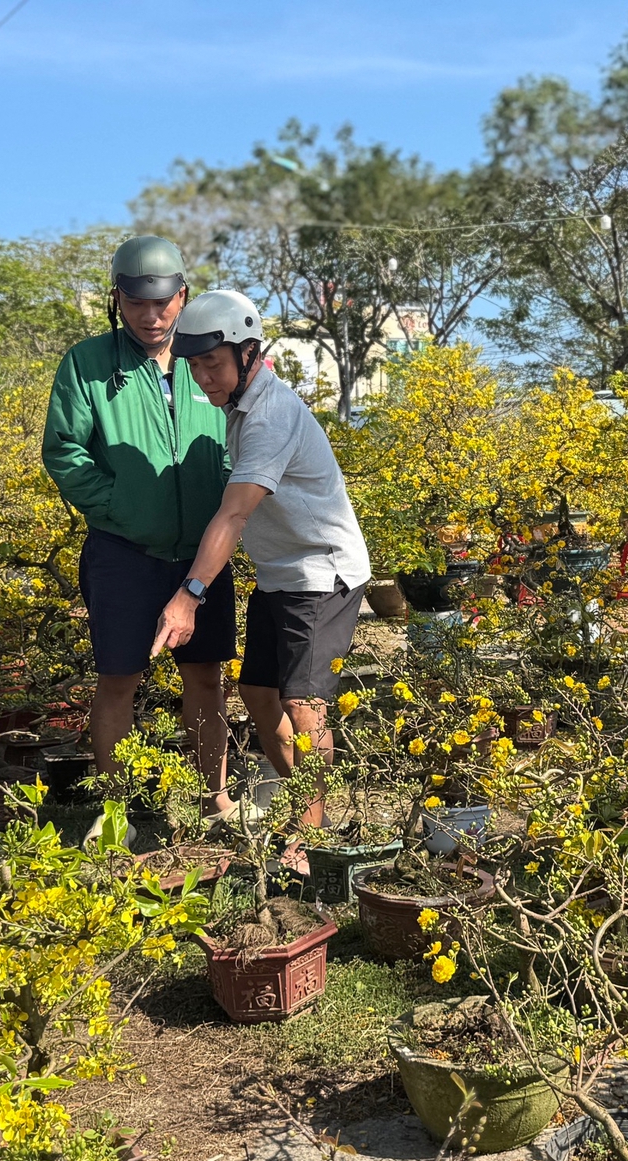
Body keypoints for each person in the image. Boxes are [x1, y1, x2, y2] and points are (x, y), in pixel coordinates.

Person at [150, 290, 371, 827]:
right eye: (194, 365)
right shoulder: (238, 408)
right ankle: (300, 804)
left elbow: (233, 515)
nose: (203, 377)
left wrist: (189, 596)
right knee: (255, 690)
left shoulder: (270, 416)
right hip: (281, 574)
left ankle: (308, 837)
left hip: (322, 574)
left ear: (249, 353)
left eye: (213, 364)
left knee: (303, 704)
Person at [41, 235, 236, 813]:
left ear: (183, 295)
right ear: (117, 300)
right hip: (122, 551)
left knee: (206, 677)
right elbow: (65, 453)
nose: (151, 317)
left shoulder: (211, 358)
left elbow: (246, 438)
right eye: (136, 304)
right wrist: (122, 506)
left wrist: (226, 504)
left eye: (163, 303)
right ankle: (116, 812)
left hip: (203, 555)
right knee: (118, 679)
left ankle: (215, 799)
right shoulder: (88, 363)